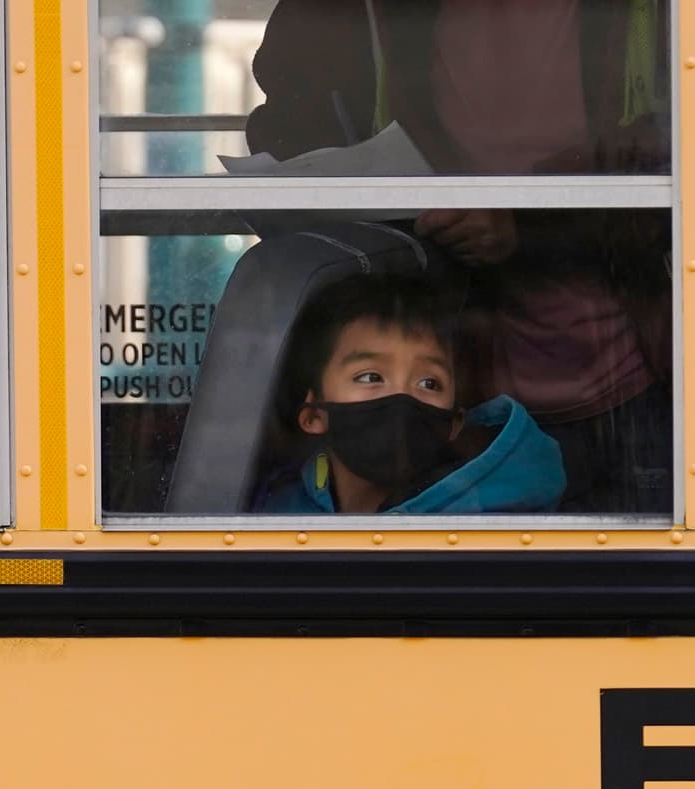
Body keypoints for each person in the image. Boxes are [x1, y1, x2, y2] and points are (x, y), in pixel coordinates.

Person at [245, 0, 671, 513]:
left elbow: (668, 158)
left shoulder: (647, 17)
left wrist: (528, 224)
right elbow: (291, 118)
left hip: (637, 390)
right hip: (441, 410)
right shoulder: (365, 15)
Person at [256, 274, 565, 513]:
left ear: (455, 424)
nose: (403, 398)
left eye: (429, 383)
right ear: (313, 415)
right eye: (370, 376)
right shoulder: (279, 514)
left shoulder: (490, 528)